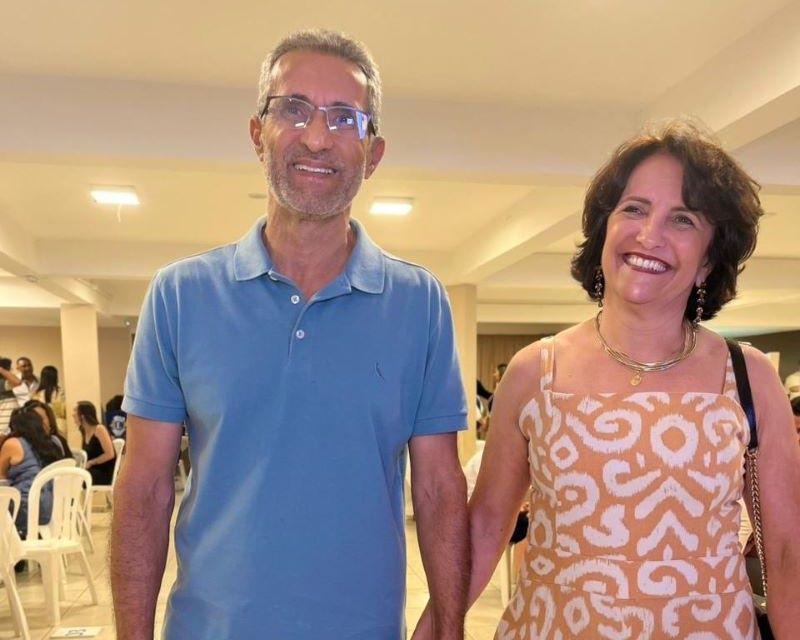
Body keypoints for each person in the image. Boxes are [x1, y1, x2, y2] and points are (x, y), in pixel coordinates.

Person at [111, 29, 468, 640]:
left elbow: (438, 487)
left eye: (345, 118)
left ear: (373, 153)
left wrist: (451, 627)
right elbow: (144, 488)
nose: (318, 137)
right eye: (294, 109)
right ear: (258, 134)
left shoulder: (420, 303)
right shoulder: (180, 295)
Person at [454, 121, 800, 638]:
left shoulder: (749, 377)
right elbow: (484, 529)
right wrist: (434, 627)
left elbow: (788, 549)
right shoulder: (534, 372)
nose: (649, 235)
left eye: (682, 219)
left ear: (708, 260)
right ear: (604, 229)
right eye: (634, 209)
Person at [0, 409, 60, 539]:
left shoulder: (13, 443)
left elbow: (1, 478)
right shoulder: (54, 442)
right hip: (53, 508)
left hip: (25, 508)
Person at [75, 401, 116, 485]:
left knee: (77, 478)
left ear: (82, 416)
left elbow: (110, 454)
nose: (73, 414)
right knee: (73, 475)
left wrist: (91, 462)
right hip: (92, 470)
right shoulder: (84, 431)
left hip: (103, 472)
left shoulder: (99, 429)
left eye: (75, 411)